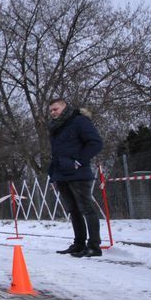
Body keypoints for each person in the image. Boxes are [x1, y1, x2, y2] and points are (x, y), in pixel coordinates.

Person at [47, 98, 104, 258]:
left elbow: (96, 143)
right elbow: (56, 154)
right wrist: (53, 176)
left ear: (64, 107)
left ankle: (94, 246)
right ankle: (79, 244)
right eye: (51, 110)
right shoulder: (56, 128)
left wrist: (79, 161)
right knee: (73, 210)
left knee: (86, 208)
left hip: (78, 174)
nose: (53, 113)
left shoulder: (79, 121)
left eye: (55, 109)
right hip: (61, 174)